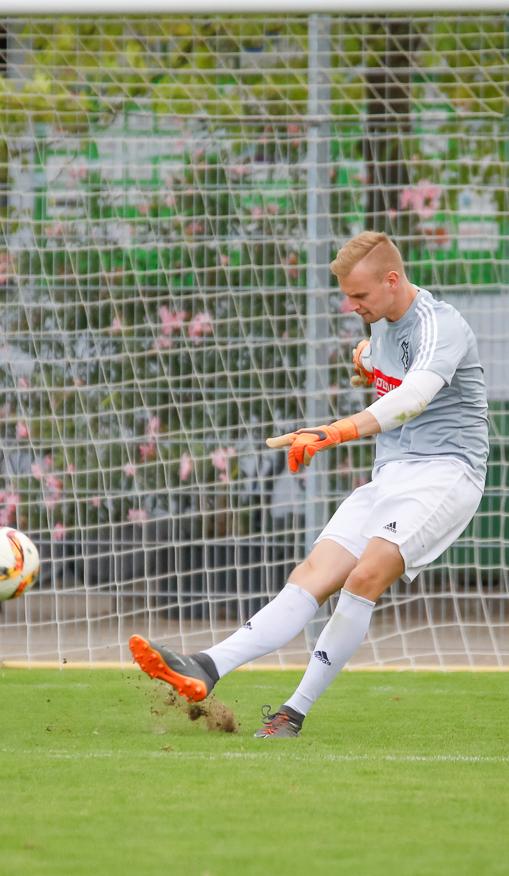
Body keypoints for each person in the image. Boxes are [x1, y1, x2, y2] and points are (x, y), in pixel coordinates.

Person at [128, 231, 489, 737]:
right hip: (392, 475)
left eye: (359, 296)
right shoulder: (381, 323)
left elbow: (414, 398)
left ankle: (291, 713)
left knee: (364, 578)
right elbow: (376, 362)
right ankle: (205, 667)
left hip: (447, 474)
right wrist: (364, 360)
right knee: (313, 573)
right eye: (347, 297)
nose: (352, 305)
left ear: (392, 280)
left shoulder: (440, 324)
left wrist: (334, 431)